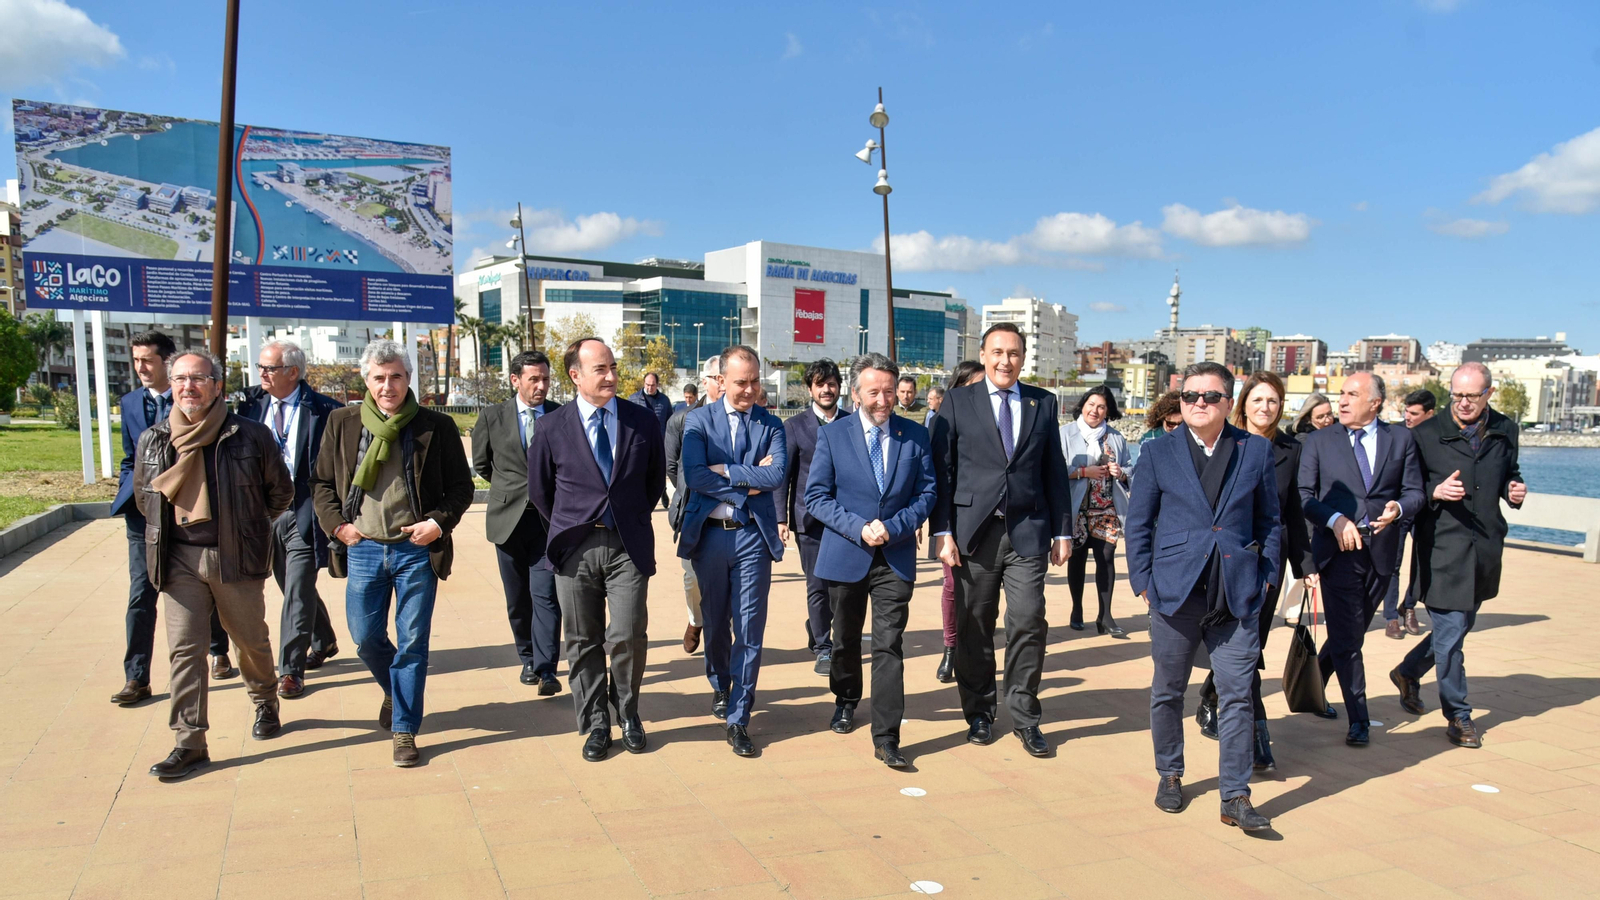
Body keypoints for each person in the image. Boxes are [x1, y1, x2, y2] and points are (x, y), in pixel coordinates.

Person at [1124, 362, 1282, 830]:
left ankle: (1235, 795)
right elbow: (1139, 523)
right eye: (1190, 395)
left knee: (1237, 695)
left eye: (1210, 396)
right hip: (1174, 592)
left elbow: (1270, 520)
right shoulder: (1157, 452)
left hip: (1237, 592)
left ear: (1228, 403)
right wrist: (1143, 582)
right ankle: (1170, 774)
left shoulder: (1254, 451)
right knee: (1168, 690)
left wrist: (1266, 575)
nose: (1198, 403)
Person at [312, 340, 475, 768]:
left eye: (396, 377)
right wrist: (339, 526)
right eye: (379, 377)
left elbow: (462, 487)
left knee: (413, 642)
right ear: (366, 380)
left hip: (416, 550)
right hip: (363, 547)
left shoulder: (434, 426)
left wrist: (437, 522)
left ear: (408, 379)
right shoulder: (342, 422)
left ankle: (405, 728)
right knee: (365, 638)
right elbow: (323, 485)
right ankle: (393, 688)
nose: (388, 386)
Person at [136, 350, 293, 780]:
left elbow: (280, 492)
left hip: (234, 555)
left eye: (199, 378)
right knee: (185, 650)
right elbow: (144, 497)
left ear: (217, 385)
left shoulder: (249, 435)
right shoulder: (154, 439)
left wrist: (248, 526)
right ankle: (189, 742)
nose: (189, 386)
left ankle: (264, 699)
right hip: (178, 560)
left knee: (249, 642)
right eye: (181, 378)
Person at [931, 324, 1071, 758]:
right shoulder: (956, 402)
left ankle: (1025, 716)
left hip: (1028, 532)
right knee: (975, 626)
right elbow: (942, 472)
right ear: (984, 354)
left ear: (1023, 358)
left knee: (1028, 620)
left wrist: (1064, 530)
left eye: (1013, 353)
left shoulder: (1042, 403)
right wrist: (943, 531)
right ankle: (979, 712)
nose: (1004, 360)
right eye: (997, 352)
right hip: (974, 533)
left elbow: (1054, 471)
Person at [528, 338, 666, 762]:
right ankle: (594, 723)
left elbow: (654, 483)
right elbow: (541, 492)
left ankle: (627, 711)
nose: (610, 376)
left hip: (628, 545)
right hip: (575, 548)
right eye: (600, 369)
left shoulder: (642, 421)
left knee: (627, 634)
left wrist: (624, 516)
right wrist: (572, 525)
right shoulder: (552, 427)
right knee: (583, 639)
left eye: (612, 367)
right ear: (575, 375)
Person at [804, 353, 937, 768]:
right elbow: (816, 497)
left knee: (889, 645)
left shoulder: (914, 436)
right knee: (844, 640)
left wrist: (895, 526)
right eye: (873, 391)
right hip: (847, 552)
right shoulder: (834, 435)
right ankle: (845, 698)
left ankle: (887, 736)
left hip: (893, 556)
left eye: (889, 391)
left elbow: (928, 493)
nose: (883, 400)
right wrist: (859, 526)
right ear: (857, 392)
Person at [1390, 363, 1526, 749]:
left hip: (1484, 549)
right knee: (1450, 638)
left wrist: (1513, 491)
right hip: (1442, 550)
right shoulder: (1425, 434)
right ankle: (1459, 716)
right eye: (1457, 395)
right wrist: (1434, 491)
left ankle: (1408, 671)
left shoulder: (1505, 429)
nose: (1463, 403)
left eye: (1472, 396)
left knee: (1456, 630)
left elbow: (1508, 473)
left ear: (1489, 393)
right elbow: (1408, 486)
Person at [1194, 371, 1314, 771]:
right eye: (1258, 400)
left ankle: (1213, 696)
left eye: (1274, 402)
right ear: (1242, 403)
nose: (1265, 408)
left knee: (1251, 647)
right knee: (1236, 645)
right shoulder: (1222, 440)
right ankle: (1256, 736)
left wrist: (1306, 565)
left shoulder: (1290, 450)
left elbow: (1292, 512)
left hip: (1268, 562)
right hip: (1224, 558)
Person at [1299, 372, 1424, 746]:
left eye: (1352, 394)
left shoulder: (1401, 438)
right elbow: (1304, 496)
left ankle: (1310, 685)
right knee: (1351, 642)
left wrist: (1398, 508)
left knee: (1346, 634)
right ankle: (1359, 718)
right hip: (1338, 554)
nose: (1342, 401)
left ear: (1375, 402)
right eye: (1341, 394)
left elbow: (1416, 491)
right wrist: (1336, 520)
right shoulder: (1321, 441)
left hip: (1382, 554)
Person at [110, 331, 234, 706]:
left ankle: (218, 649)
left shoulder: (198, 399)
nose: (140, 368)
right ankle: (137, 676)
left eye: (148, 360)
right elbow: (131, 458)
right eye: (136, 360)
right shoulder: (131, 403)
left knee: (204, 585)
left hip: (194, 512)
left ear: (167, 363)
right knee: (141, 592)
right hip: (146, 515)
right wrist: (131, 491)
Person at [679, 344, 787, 758]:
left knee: (750, 627)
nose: (750, 390)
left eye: (755, 381)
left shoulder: (771, 424)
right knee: (715, 621)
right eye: (741, 382)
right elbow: (694, 475)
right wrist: (748, 482)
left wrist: (728, 471)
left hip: (751, 539)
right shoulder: (697, 422)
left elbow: (776, 474)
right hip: (709, 536)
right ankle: (720, 685)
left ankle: (739, 715)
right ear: (721, 381)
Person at [239, 339, 345, 700]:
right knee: (291, 585)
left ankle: (289, 671)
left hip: (304, 511)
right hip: (263, 511)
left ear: (293, 372)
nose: (262, 375)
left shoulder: (326, 411)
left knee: (298, 587)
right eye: (261, 368)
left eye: (269, 368)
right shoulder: (249, 405)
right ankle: (325, 639)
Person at [471, 350, 563, 694]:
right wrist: (509, 489)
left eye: (545, 379)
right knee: (517, 599)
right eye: (533, 379)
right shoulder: (492, 416)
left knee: (547, 596)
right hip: (507, 523)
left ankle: (547, 668)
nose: (541, 386)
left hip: (547, 524)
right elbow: (483, 464)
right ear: (515, 380)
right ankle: (527, 657)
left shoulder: (559, 415)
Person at [774, 358, 850, 676]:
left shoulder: (852, 422)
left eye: (831, 383)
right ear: (810, 389)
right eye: (820, 384)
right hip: (809, 521)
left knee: (840, 588)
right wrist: (781, 518)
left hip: (847, 521)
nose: (826, 389)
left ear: (839, 387)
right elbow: (784, 476)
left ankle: (816, 622)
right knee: (817, 584)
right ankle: (823, 647)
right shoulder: (794, 426)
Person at [931, 361, 985, 683]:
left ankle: (977, 649)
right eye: (972, 387)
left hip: (995, 521)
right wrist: (940, 528)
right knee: (953, 587)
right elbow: (936, 477)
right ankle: (951, 648)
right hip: (955, 520)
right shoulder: (942, 422)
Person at [1062, 386, 1132, 636]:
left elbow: (1130, 469)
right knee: (1077, 560)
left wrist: (1120, 472)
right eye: (1091, 404)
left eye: (1101, 406)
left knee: (1106, 559)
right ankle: (1077, 609)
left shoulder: (1116, 437)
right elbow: (1053, 470)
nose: (1095, 410)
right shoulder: (1065, 434)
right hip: (1076, 508)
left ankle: (1106, 615)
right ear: (1082, 405)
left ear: (1108, 411)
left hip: (1107, 509)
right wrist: (1083, 472)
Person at [666, 356, 717, 653]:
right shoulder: (682, 419)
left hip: (731, 512)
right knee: (692, 577)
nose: (723, 384)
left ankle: (722, 640)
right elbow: (672, 466)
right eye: (717, 378)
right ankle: (695, 619)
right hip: (692, 511)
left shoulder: (746, 415)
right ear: (705, 382)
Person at [1383, 388, 1437, 640]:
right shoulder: (1396, 434)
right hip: (1400, 507)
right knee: (1392, 562)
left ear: (1430, 413)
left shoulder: (1438, 437)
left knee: (1422, 561)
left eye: (1414, 413)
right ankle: (1391, 617)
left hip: (1426, 508)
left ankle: (1410, 606)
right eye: (1406, 411)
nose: (1408, 417)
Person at [1126, 390, 1183, 483]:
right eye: (1171, 424)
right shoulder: (1149, 439)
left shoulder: (1191, 438)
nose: (1176, 428)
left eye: (1181, 424)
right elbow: (1142, 470)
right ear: (1162, 419)